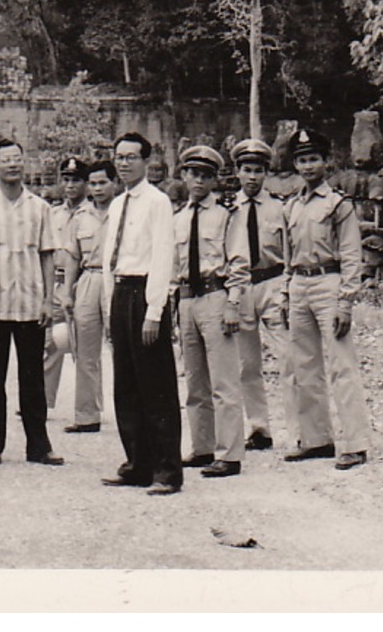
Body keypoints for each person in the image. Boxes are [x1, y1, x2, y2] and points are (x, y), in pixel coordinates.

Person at [0, 139, 64, 467]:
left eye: (17, 159)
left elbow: (48, 256)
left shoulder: (40, 208)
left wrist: (49, 301)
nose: (12, 165)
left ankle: (38, 445)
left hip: (29, 304)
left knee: (32, 376)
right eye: (6, 160)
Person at [281, 129, 372, 471]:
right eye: (302, 160)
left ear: (326, 162)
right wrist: (286, 292)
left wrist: (346, 300)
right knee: (304, 366)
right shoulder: (290, 205)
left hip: (329, 284)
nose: (308, 166)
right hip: (299, 286)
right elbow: (288, 257)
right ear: (295, 164)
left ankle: (355, 443)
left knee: (341, 365)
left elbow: (351, 255)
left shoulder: (338, 204)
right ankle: (316, 439)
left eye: (314, 159)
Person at [100, 132, 183, 496]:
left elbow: (163, 256)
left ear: (147, 162)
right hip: (120, 292)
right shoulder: (117, 205)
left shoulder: (157, 202)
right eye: (119, 156)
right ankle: (137, 462)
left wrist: (154, 311)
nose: (124, 163)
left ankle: (167, 470)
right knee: (127, 384)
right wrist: (108, 307)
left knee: (156, 385)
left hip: (145, 293)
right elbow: (108, 261)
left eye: (132, 157)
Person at [173, 145, 251, 478]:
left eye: (206, 175)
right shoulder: (177, 218)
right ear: (184, 175)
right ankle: (202, 446)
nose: (199, 181)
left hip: (215, 295)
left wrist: (234, 303)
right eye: (194, 173)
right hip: (187, 299)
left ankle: (230, 454)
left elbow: (239, 263)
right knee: (194, 382)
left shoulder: (226, 215)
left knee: (224, 379)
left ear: (214, 179)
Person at [227, 138, 287, 452]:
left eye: (258, 170)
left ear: (266, 173)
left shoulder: (280, 207)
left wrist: (287, 288)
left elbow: (289, 252)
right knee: (246, 364)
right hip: (240, 287)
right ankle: (259, 428)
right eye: (246, 170)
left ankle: (304, 428)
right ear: (237, 172)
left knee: (290, 357)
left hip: (273, 283)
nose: (252, 177)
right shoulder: (227, 209)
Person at [61, 159, 116, 433]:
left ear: (114, 183)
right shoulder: (80, 216)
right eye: (92, 184)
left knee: (122, 347)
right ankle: (87, 415)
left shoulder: (123, 211)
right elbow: (72, 256)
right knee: (85, 350)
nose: (97, 188)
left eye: (102, 182)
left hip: (117, 280)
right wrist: (67, 292)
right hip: (89, 279)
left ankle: (133, 412)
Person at [43, 156, 88, 414]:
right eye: (67, 180)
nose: (70, 185)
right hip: (57, 281)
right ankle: (44, 398)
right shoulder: (53, 214)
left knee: (85, 344)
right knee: (50, 340)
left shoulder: (91, 213)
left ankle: (88, 404)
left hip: (83, 281)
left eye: (76, 180)